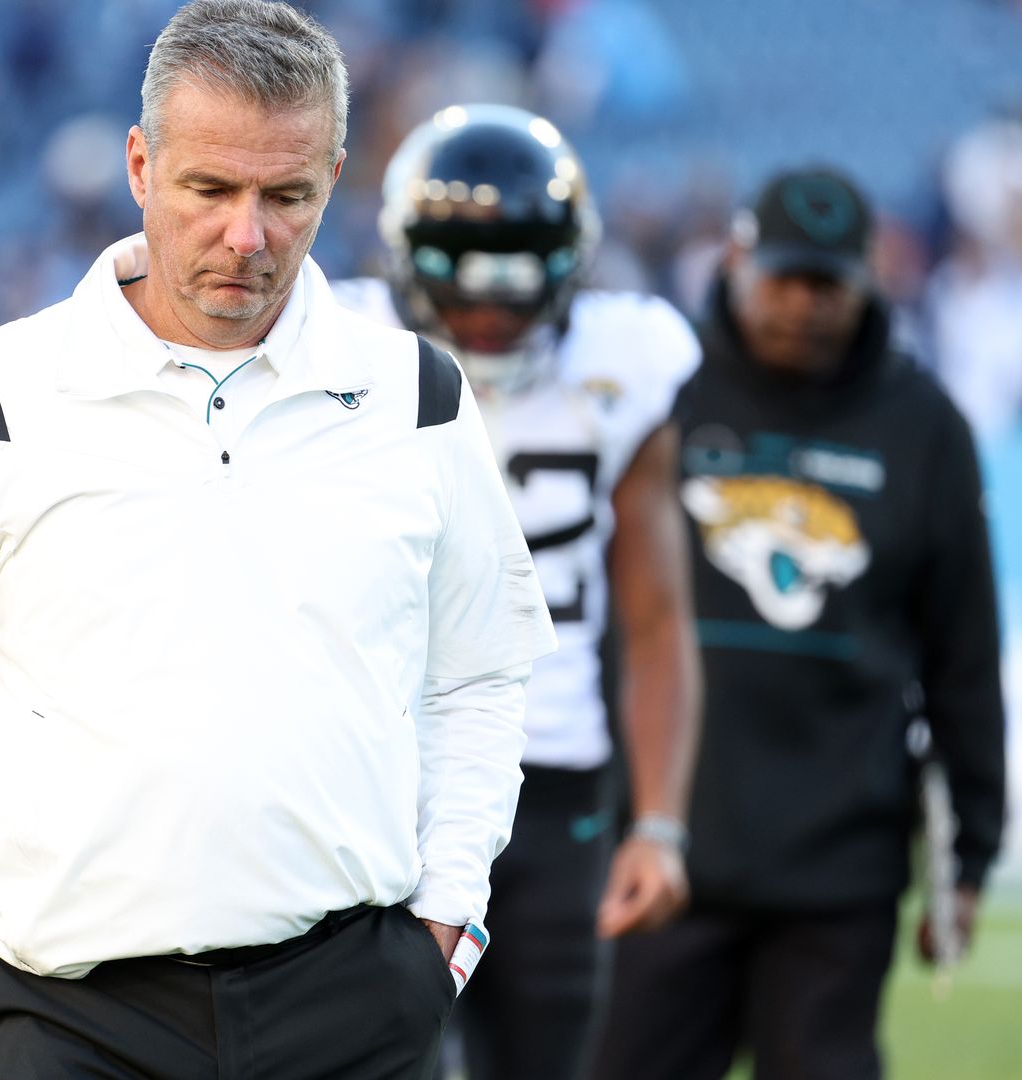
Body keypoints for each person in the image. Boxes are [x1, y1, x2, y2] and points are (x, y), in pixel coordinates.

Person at [0, 3, 558, 1078]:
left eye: (286, 196)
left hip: (354, 1008)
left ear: (334, 175)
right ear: (141, 166)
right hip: (68, 1019)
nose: (249, 235)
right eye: (211, 190)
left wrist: (446, 930)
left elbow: (480, 679)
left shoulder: (415, 396)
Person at [591, 167, 1008, 1080]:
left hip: (838, 868)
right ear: (736, 260)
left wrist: (970, 854)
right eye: (783, 276)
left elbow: (965, 660)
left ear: (869, 280)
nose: (802, 304)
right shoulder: (664, 392)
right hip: (664, 848)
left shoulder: (926, 427)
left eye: (827, 283)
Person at [334, 105, 701, 1080]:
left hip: (553, 776)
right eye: (465, 274)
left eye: (518, 275)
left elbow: (658, 618)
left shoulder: (627, 361)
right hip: (382, 774)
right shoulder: (337, 342)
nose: (491, 307)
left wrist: (658, 823)